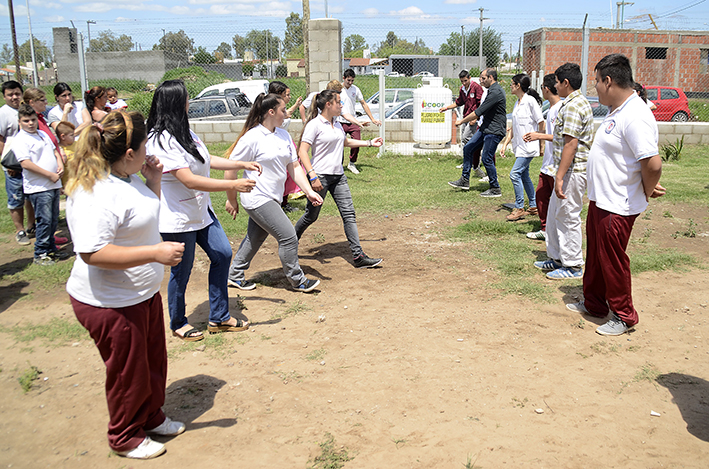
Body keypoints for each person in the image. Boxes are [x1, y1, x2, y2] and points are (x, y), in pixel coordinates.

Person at [65, 110, 187, 460]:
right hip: (110, 302)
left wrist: (154, 181)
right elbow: (93, 252)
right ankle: (124, 435)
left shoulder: (127, 177)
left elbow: (139, 219)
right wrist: (155, 252)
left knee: (152, 363)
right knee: (127, 373)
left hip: (141, 294)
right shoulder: (96, 192)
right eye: (145, 143)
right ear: (128, 153)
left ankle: (149, 416)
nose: (150, 148)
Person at [146, 80, 262, 341]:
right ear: (176, 102)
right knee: (182, 270)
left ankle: (219, 316)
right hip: (178, 218)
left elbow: (205, 160)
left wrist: (241, 162)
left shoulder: (185, 132)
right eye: (186, 97)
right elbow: (188, 179)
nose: (189, 101)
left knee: (222, 253)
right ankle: (178, 321)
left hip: (201, 212)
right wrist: (233, 184)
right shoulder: (160, 140)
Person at [566, 54, 664, 335]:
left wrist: (645, 188)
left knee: (613, 261)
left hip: (618, 205)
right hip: (602, 200)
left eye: (596, 81)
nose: (593, 87)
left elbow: (652, 162)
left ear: (608, 81)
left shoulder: (635, 115)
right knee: (596, 256)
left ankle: (624, 315)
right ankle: (595, 303)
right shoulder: (618, 110)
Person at [225, 93, 324, 293]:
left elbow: (294, 166)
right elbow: (231, 168)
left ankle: (234, 274)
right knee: (288, 236)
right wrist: (231, 199)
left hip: (273, 197)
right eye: (282, 110)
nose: (286, 114)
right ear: (271, 112)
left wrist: (308, 191)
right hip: (257, 197)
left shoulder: (283, 134)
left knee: (255, 237)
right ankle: (298, 280)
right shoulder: (252, 137)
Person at [295, 89, 384, 268]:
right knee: (311, 216)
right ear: (328, 104)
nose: (341, 105)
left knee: (349, 214)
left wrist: (368, 143)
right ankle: (289, 241)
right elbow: (302, 151)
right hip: (320, 176)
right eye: (338, 102)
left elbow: (345, 142)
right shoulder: (315, 124)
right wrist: (312, 176)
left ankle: (358, 256)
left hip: (339, 177)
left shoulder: (337, 123)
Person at [533, 63, 593, 280]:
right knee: (555, 215)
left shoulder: (574, 106)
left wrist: (559, 177)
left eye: (557, 82)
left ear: (565, 83)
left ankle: (573, 265)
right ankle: (557, 258)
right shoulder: (571, 104)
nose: (555, 85)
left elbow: (570, 144)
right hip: (564, 171)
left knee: (568, 217)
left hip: (572, 172)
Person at [13, 104, 66, 266]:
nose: (30, 123)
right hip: (39, 187)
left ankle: (50, 248)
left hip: (53, 184)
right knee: (44, 220)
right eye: (26, 120)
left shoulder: (42, 134)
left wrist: (60, 164)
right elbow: (26, 163)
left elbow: (55, 151)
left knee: (52, 219)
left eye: (33, 120)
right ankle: (40, 253)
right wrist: (49, 174)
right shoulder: (20, 139)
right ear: (19, 121)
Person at [449, 68, 507, 197]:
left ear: (491, 78)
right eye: (480, 78)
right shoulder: (490, 91)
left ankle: (495, 188)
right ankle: (464, 180)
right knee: (468, 148)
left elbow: (478, 111)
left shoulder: (496, 92)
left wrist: (462, 120)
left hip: (494, 130)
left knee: (486, 158)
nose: (481, 80)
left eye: (483, 78)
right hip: (485, 128)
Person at [23, 88, 70, 246]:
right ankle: (43, 248)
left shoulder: (41, 119)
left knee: (52, 211)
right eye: (42, 100)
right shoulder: (31, 124)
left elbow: (51, 142)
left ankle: (50, 239)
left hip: (53, 174)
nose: (46, 102)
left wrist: (58, 158)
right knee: (44, 214)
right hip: (41, 179)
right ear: (32, 102)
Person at [498, 74, 545, 221]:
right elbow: (513, 127)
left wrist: (540, 142)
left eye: (512, 84)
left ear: (518, 86)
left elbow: (541, 122)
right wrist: (505, 144)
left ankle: (519, 207)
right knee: (524, 175)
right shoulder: (518, 103)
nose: (510, 86)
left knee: (514, 174)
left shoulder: (530, 101)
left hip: (529, 147)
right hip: (520, 147)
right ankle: (533, 205)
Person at [523, 74, 563, 240]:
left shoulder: (561, 108)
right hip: (548, 164)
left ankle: (557, 231)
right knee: (541, 195)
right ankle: (546, 229)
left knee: (557, 202)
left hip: (557, 165)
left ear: (546, 89)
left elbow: (560, 137)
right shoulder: (552, 109)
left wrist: (539, 136)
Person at [1, 80, 35, 245]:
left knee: (31, 196)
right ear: (4, 96)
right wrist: (7, 164)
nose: (14, 97)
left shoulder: (27, 110)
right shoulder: (3, 113)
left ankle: (31, 225)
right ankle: (20, 230)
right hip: (13, 164)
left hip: (30, 162)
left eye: (17, 93)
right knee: (16, 197)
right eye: (10, 94)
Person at [269, 81, 303, 212]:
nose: (289, 97)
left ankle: (283, 202)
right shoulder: (271, 110)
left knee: (289, 173)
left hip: (285, 141)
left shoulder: (280, 110)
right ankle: (276, 203)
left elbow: (287, 114)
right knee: (280, 172)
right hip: (276, 143)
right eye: (286, 94)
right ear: (278, 95)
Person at [339, 69, 381, 174]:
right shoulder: (338, 89)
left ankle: (352, 164)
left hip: (353, 121)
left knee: (357, 142)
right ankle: (338, 166)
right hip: (340, 121)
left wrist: (372, 119)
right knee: (338, 144)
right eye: (348, 80)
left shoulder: (355, 89)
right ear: (343, 78)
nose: (350, 83)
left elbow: (363, 103)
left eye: (352, 80)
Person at [439, 70, 484, 148]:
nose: (464, 83)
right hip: (466, 117)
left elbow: (481, 104)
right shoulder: (462, 89)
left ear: (469, 78)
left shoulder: (476, 87)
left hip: (473, 118)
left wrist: (475, 118)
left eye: (465, 81)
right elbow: (458, 102)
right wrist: (446, 108)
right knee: (464, 138)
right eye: (462, 81)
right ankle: (469, 157)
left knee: (467, 137)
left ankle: (475, 156)